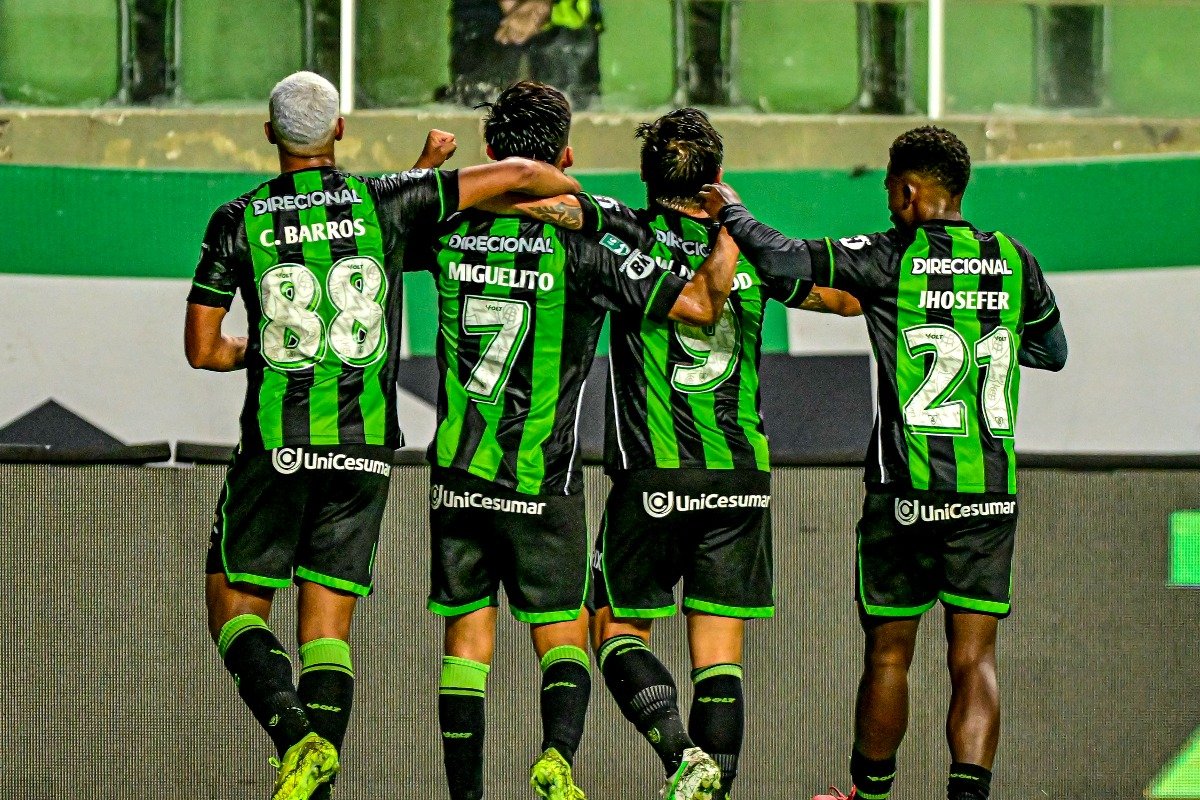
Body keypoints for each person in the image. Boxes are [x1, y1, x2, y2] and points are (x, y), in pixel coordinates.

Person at [184, 71, 580, 800]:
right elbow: (513, 176)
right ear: (339, 130)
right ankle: (314, 776)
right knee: (326, 630)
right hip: (364, 451)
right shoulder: (381, 200)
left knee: (234, 608)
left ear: (269, 133)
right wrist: (577, 204)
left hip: (278, 443)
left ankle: (295, 738)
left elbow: (205, 349)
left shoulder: (235, 220)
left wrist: (265, 346)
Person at [492, 106, 860, 800]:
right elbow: (843, 299)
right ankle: (713, 790)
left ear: (645, 177)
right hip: (740, 477)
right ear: (717, 178)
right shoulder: (750, 247)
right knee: (719, 660)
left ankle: (684, 754)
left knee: (612, 628)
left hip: (654, 474)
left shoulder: (626, 233)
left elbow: (544, 202)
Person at [700, 125, 1068, 800]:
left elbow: (783, 255)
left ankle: (869, 797)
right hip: (989, 495)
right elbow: (1052, 351)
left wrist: (731, 207)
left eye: (890, 191)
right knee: (975, 658)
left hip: (905, 493)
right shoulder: (1017, 261)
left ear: (907, 188)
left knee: (890, 655)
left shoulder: (891, 256)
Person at [406, 82, 740, 800]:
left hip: (458, 474)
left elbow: (392, 227)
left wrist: (432, 173)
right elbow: (700, 303)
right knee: (562, 632)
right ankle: (556, 757)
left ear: (492, 153)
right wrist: (729, 219)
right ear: (566, 155)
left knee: (467, 642)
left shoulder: (444, 230)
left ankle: (466, 797)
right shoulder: (588, 249)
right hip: (545, 479)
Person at [441, 0, 602, 109]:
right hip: (484, 11)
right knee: (479, 101)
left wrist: (539, 6)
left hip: (564, 13)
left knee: (571, 107)